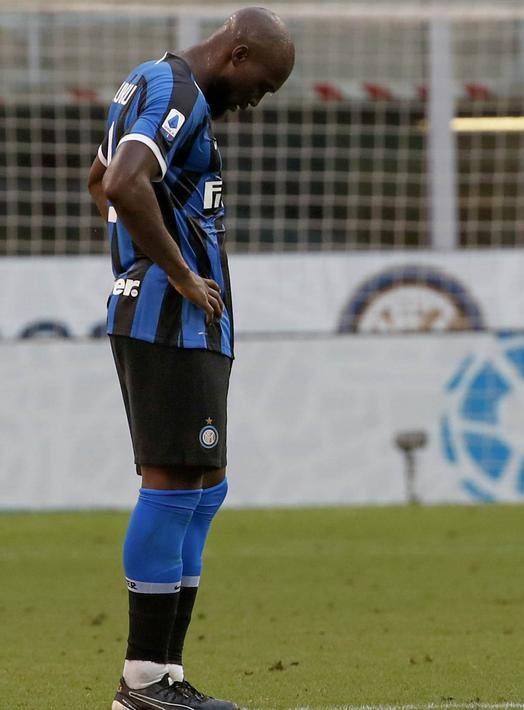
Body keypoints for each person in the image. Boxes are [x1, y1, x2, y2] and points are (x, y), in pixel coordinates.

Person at [86, 8, 294, 709]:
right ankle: (142, 680)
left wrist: (135, 256)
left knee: (205, 486)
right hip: (169, 318)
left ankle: (166, 677)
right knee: (174, 481)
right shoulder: (177, 91)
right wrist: (174, 273)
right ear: (235, 54)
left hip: (185, 322)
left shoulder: (148, 82)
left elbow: (100, 178)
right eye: (259, 85)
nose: (255, 101)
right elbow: (121, 183)